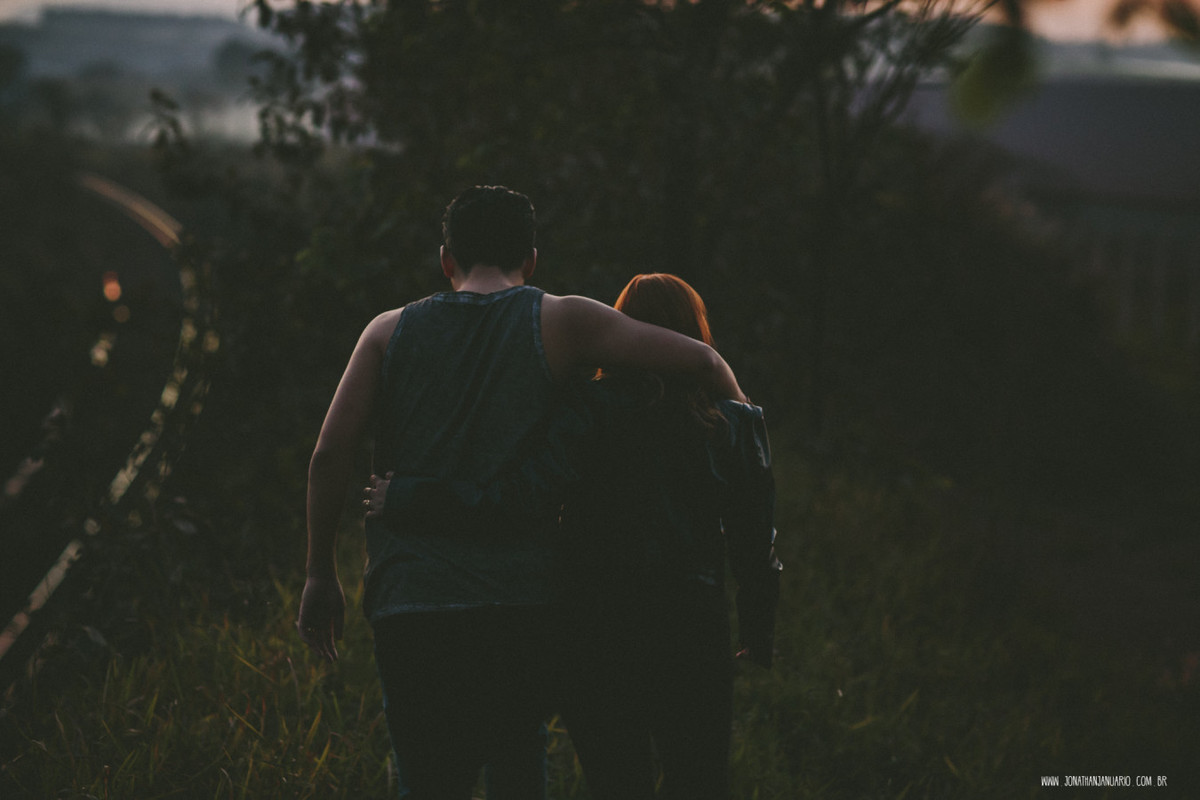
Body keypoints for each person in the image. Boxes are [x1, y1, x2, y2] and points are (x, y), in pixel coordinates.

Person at [297, 187, 744, 799]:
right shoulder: (562, 320)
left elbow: (329, 454)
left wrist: (320, 572)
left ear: (446, 259)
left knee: (427, 781)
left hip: (412, 600)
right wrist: (745, 436)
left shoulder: (385, 332)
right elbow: (701, 362)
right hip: (521, 602)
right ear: (530, 260)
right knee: (517, 772)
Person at [366, 273, 781, 800]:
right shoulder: (725, 424)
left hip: (596, 630)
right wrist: (757, 626)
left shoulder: (588, 406)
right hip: (692, 626)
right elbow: (755, 531)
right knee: (699, 782)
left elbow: (519, 498)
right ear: (691, 333)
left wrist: (412, 497)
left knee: (617, 784)